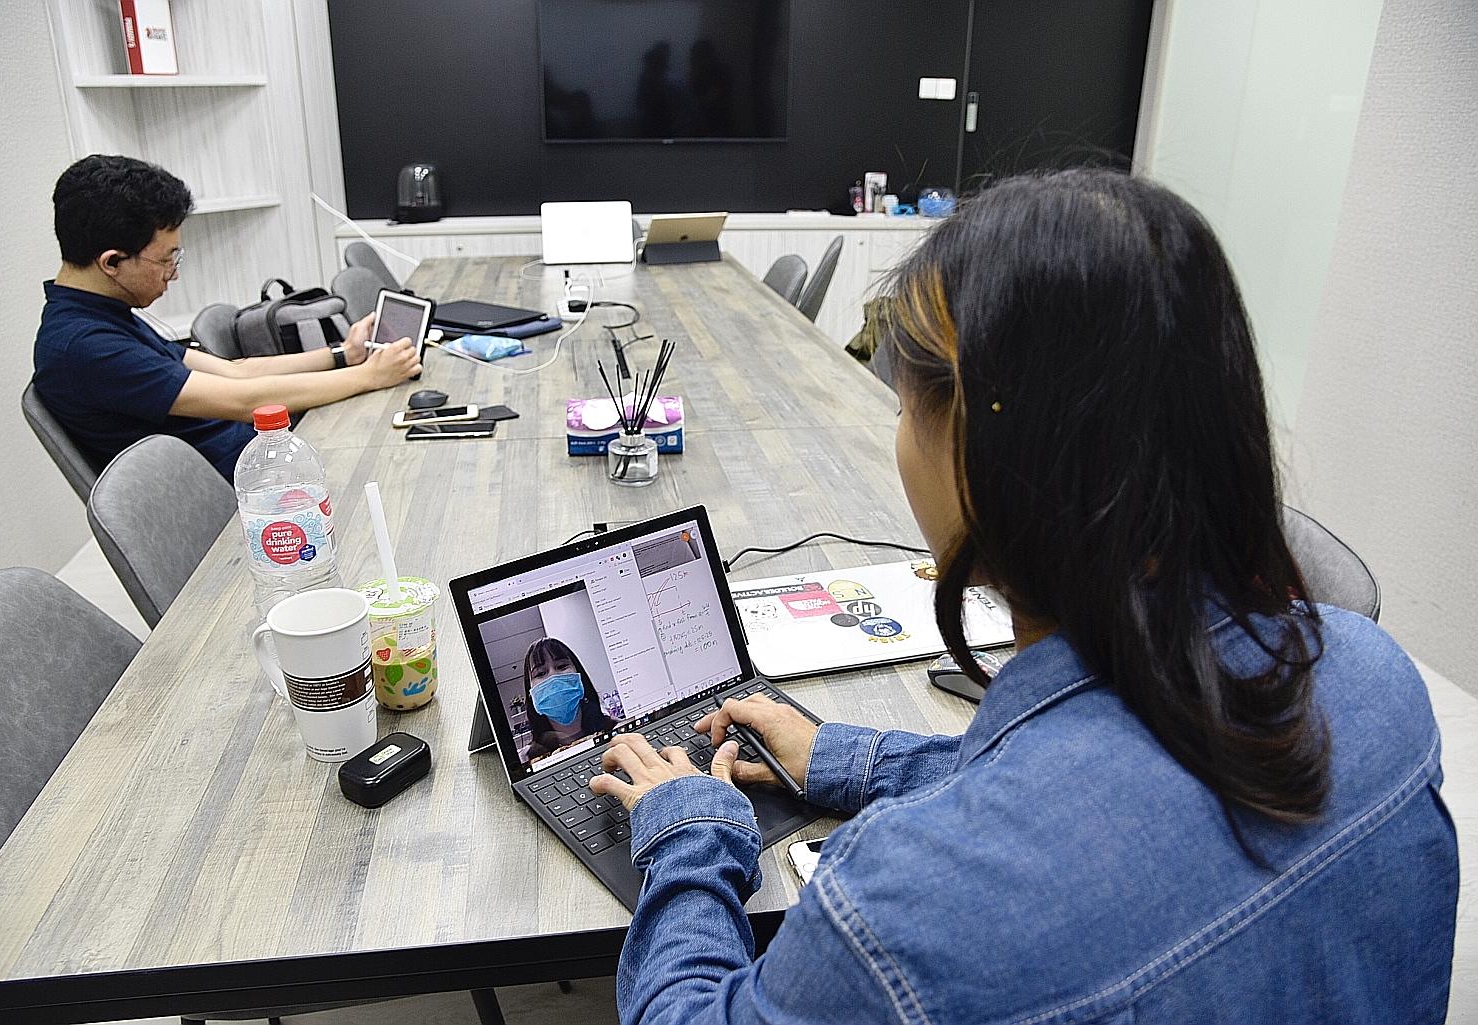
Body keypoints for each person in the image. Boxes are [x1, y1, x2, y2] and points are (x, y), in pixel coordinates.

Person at [586, 170, 1458, 1023]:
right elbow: (1093, 794)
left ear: (979, 453)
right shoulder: (1378, 680)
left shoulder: (907, 912)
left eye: (902, 401)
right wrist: (847, 757)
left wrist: (691, 828)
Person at [34, 154, 421, 482]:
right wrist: (368, 376)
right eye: (168, 258)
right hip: (247, 496)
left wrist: (342, 356)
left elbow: (237, 372)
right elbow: (246, 401)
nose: (175, 272)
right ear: (112, 262)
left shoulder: (99, 313)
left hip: (261, 463)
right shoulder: (85, 347)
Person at [522, 637, 619, 764]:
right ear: (530, 693)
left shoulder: (617, 730)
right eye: (540, 673)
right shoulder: (527, 760)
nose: (553, 676)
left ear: (580, 677)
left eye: (561, 666)